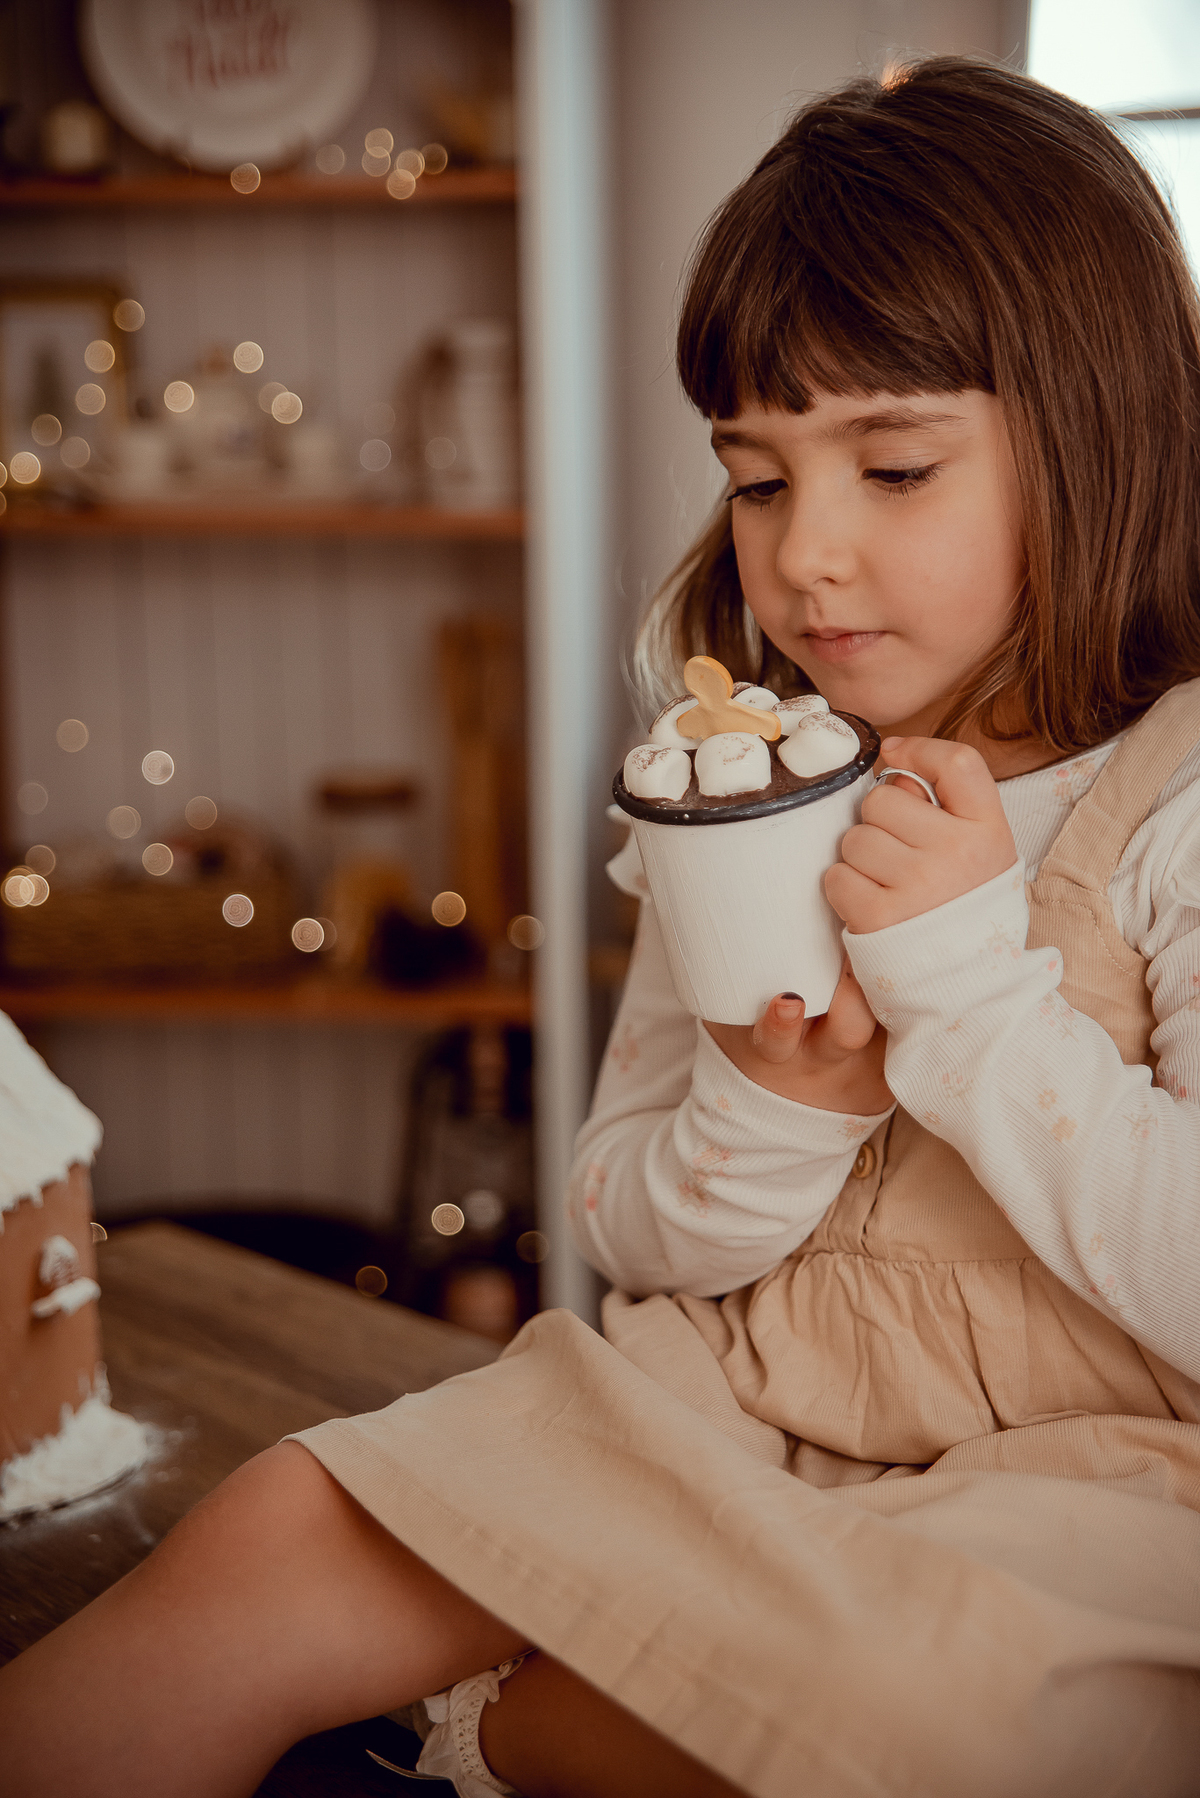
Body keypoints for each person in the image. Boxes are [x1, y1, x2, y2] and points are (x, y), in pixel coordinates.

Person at [4, 53, 1200, 1798]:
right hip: (720, 1412)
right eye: (763, 479)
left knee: (893, 1718)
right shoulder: (741, 796)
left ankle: (495, 1731)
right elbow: (629, 1225)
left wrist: (972, 998)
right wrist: (776, 1109)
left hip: (1082, 1496)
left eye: (894, 466)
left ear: (1100, 434)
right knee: (280, 1526)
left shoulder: (1173, 805)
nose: (807, 561)